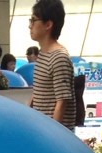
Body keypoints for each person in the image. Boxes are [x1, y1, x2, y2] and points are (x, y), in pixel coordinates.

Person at [29, 0, 76, 130]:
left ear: (48, 24)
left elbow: (62, 101)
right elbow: (38, 92)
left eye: (33, 20)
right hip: (42, 130)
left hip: (54, 135)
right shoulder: (43, 54)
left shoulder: (59, 58)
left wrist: (53, 133)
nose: (30, 26)